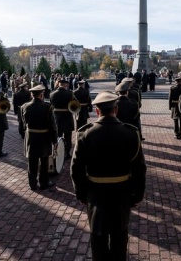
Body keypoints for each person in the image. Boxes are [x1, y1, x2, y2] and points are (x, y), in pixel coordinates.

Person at [71, 91, 147, 261]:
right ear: (116, 109)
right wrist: (137, 195)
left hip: (96, 194)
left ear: (97, 111)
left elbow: (76, 169)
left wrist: (82, 194)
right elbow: (139, 169)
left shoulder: (85, 133)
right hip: (122, 194)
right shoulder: (131, 133)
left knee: (98, 238)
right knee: (120, 237)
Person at [21, 85, 57, 191]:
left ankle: (32, 184)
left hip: (31, 137)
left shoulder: (24, 106)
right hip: (44, 138)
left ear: (32, 95)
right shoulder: (48, 107)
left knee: (32, 162)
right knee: (44, 162)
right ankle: (43, 182)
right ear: (41, 95)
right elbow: (52, 126)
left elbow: (24, 124)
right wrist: (54, 140)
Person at [50, 79, 76, 159]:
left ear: (58, 84)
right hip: (67, 117)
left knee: (58, 136)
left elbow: (51, 104)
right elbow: (75, 104)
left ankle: (58, 153)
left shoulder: (52, 94)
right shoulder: (70, 94)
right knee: (68, 136)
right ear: (65, 85)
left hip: (56, 117)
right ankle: (67, 153)